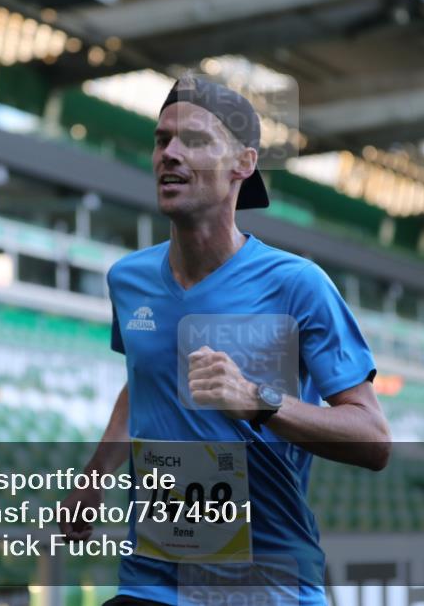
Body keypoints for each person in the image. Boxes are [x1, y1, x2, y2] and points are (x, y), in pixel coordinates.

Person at [61, 76, 391, 606]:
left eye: (193, 141)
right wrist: (94, 477)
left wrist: (257, 401)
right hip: (151, 578)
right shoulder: (128, 280)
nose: (169, 153)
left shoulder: (297, 285)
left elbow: (374, 440)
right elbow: (144, 379)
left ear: (244, 163)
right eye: (161, 139)